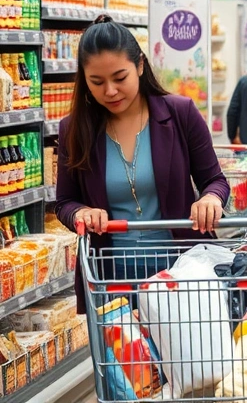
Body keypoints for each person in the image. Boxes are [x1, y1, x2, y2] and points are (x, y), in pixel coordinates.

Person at [54, 17, 229, 314]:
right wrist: (82, 212)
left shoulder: (180, 113)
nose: (110, 91)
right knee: (125, 360)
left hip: (181, 270)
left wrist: (211, 198)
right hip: (112, 275)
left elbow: (215, 179)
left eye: (120, 78)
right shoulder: (74, 129)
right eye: (97, 82)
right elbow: (64, 203)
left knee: (184, 358)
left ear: (140, 66)